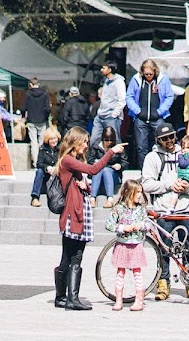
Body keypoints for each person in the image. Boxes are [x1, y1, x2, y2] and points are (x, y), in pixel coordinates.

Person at [53, 127, 126, 311]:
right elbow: (94, 170)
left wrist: (84, 185)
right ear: (74, 141)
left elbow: (83, 182)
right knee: (75, 256)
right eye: (83, 142)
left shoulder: (70, 161)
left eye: (87, 142)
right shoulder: (69, 160)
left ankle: (61, 297)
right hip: (74, 214)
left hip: (76, 212)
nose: (86, 146)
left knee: (67, 257)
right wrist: (111, 151)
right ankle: (72, 299)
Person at [141, 122, 189, 301]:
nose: (169, 141)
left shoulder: (187, 152)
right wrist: (169, 185)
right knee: (164, 249)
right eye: (164, 138)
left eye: (172, 137)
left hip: (186, 209)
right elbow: (147, 184)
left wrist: (188, 189)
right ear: (158, 140)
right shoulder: (152, 157)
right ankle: (163, 282)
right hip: (164, 210)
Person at [104, 179, 152, 312]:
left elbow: (148, 224)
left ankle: (139, 300)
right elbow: (108, 224)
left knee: (137, 271)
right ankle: (118, 300)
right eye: (137, 193)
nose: (140, 195)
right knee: (120, 271)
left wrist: (140, 226)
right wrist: (122, 228)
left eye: (141, 193)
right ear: (128, 193)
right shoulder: (118, 209)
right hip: (122, 244)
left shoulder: (141, 210)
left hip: (136, 244)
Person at [126, 59, 174, 170]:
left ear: (155, 71)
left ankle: (160, 169)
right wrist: (137, 111)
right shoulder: (136, 79)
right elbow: (129, 96)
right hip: (140, 118)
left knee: (161, 145)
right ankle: (144, 172)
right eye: (146, 74)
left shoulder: (163, 79)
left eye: (150, 74)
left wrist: (160, 111)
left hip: (157, 118)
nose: (148, 76)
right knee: (140, 147)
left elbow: (169, 96)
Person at [87, 127, 125, 207]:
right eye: (106, 140)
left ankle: (110, 199)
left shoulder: (118, 146)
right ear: (102, 139)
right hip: (97, 174)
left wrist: (120, 166)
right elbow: (90, 161)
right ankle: (92, 198)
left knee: (106, 170)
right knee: (98, 169)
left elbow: (125, 162)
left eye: (111, 140)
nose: (109, 142)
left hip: (113, 174)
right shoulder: (96, 146)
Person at [91, 61, 126, 143]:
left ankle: (120, 156)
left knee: (115, 141)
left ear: (110, 70)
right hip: (100, 115)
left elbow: (122, 100)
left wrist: (114, 114)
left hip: (111, 117)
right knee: (93, 139)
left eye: (104, 68)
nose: (101, 70)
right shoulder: (106, 81)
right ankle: (93, 156)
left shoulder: (119, 82)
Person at [21, 78, 51, 166]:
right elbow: (48, 108)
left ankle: (35, 162)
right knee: (42, 141)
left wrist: (24, 116)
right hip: (42, 120)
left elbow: (23, 108)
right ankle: (42, 161)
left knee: (33, 141)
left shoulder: (28, 94)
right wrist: (46, 116)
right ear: (39, 84)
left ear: (31, 84)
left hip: (31, 120)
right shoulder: (45, 94)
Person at [30, 127, 60, 207]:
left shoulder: (61, 149)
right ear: (47, 140)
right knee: (39, 171)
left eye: (55, 138)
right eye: (51, 139)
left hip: (57, 176)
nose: (54, 141)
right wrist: (47, 168)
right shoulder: (43, 149)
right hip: (47, 177)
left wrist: (56, 168)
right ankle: (35, 197)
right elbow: (39, 163)